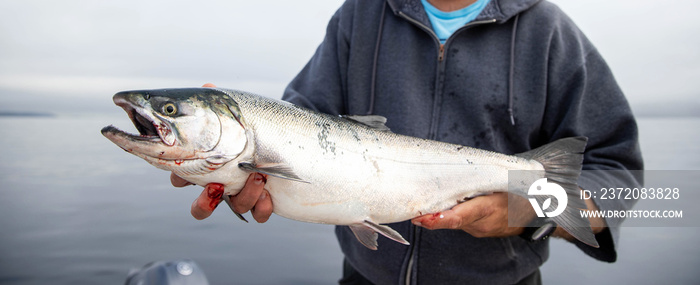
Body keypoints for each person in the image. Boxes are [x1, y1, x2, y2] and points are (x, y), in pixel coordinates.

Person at [172, 0, 643, 284]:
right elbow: (298, 125)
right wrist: (234, 152)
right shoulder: (359, 17)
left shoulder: (551, 33)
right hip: (366, 278)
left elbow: (622, 183)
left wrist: (522, 214)